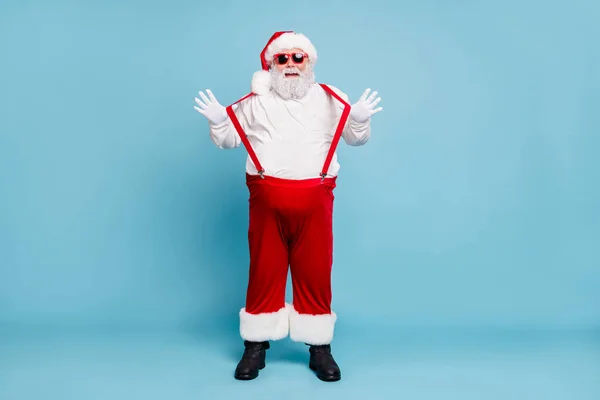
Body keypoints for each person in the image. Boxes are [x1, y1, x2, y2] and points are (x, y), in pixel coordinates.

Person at [193, 30, 382, 382]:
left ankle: (319, 349)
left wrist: (358, 117)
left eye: (299, 58)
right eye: (283, 58)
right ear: (271, 64)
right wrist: (219, 121)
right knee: (264, 270)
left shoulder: (331, 97)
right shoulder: (254, 101)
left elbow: (356, 138)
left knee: (315, 270)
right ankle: (255, 346)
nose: (292, 64)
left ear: (309, 62)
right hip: (266, 203)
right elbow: (230, 139)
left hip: (316, 204)